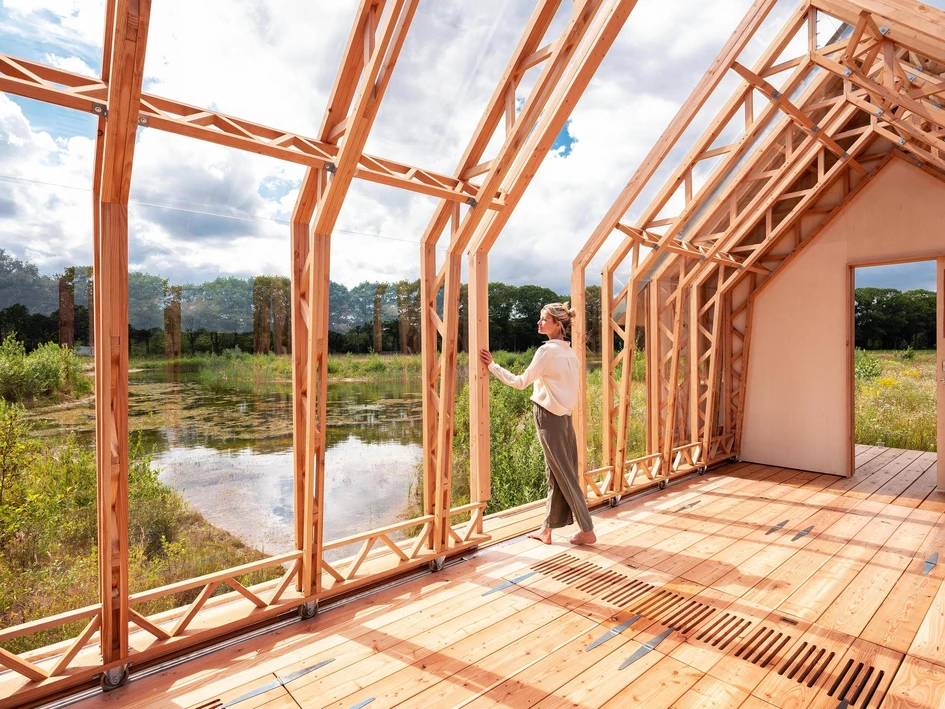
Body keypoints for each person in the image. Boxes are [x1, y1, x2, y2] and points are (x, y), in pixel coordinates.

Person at [479, 302, 596, 546]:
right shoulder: (570, 353)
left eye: (543, 319)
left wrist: (493, 366)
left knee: (563, 474)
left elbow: (521, 382)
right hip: (565, 417)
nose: (539, 323)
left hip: (548, 416)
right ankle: (547, 529)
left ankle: (587, 528)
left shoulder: (547, 351)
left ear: (557, 325)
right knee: (555, 473)